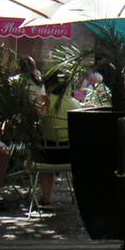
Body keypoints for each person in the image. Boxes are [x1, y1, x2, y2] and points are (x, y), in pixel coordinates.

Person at [38, 72, 81, 205]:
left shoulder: (43, 102)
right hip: (69, 155)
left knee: (42, 146)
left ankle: (46, 199)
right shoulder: (75, 104)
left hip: (46, 155)